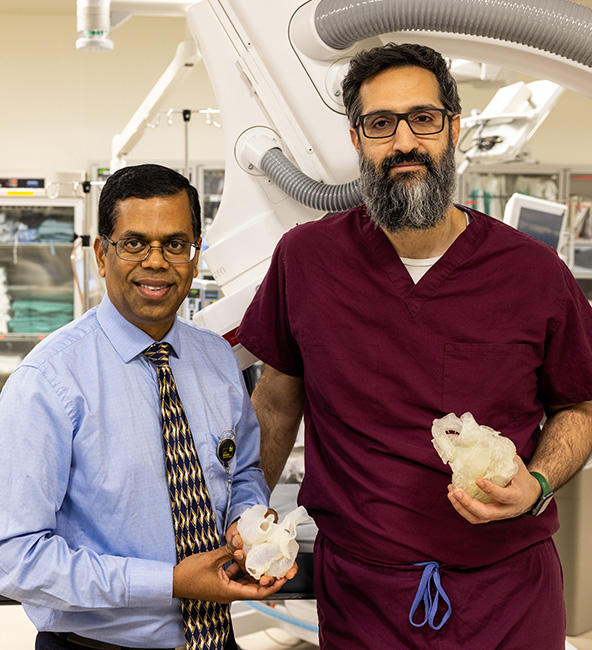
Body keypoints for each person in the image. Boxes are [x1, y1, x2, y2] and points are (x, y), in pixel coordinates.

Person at [237, 43, 592, 649]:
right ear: (357, 141)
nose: (404, 142)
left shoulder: (532, 273)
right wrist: (246, 508)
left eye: (423, 119)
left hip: (507, 594)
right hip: (362, 598)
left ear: (453, 129)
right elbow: (275, 400)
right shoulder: (307, 260)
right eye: (380, 124)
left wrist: (536, 483)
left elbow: (579, 407)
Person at [0, 164, 293, 650]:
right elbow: (15, 559)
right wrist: (170, 582)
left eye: (175, 245)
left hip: (217, 640)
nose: (156, 261)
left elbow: (240, 474)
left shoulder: (217, 359)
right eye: (135, 243)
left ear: (195, 258)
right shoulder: (48, 383)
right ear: (101, 254)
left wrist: (249, 530)